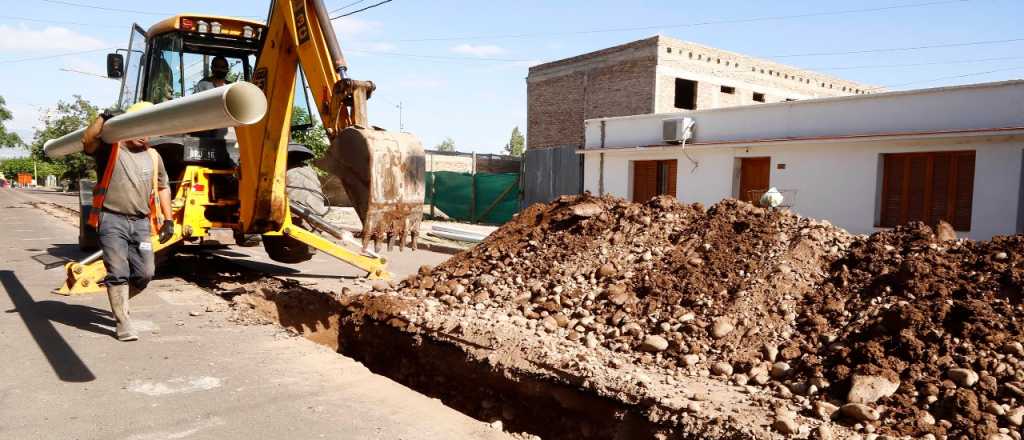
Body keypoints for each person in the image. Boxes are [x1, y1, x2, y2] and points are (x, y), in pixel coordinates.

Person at [82, 101, 175, 341]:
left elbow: (163, 187)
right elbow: (88, 142)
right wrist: (103, 117)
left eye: (149, 129)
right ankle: (122, 320)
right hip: (112, 220)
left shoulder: (154, 156)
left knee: (145, 273)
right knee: (118, 271)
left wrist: (168, 219)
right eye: (139, 127)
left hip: (141, 223)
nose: (145, 135)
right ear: (129, 126)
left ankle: (119, 300)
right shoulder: (111, 149)